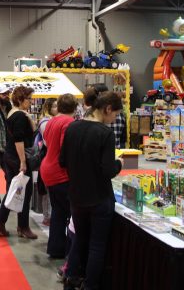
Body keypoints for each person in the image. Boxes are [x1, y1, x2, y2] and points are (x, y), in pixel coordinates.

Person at [60, 91, 124, 290]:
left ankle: (71, 278)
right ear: (107, 109)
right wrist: (119, 164)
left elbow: (62, 161)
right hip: (99, 198)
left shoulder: (72, 127)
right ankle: (90, 285)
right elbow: (108, 171)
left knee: (80, 238)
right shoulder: (105, 134)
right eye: (115, 115)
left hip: (76, 195)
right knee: (97, 245)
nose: (114, 120)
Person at [0, 85, 37, 240]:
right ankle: (21, 227)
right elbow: (19, 140)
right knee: (22, 192)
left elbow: (31, 131)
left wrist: (29, 118)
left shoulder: (15, 113)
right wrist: (23, 162)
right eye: (29, 99)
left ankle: (4, 224)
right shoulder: (19, 116)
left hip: (11, 156)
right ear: (20, 99)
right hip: (17, 158)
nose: (31, 102)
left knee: (15, 190)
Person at [39, 94, 77, 259]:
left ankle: (56, 248)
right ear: (74, 108)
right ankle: (68, 250)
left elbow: (47, 142)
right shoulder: (68, 123)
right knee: (69, 214)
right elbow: (65, 150)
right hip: (60, 173)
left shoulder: (51, 121)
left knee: (58, 212)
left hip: (48, 169)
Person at [36, 97, 58, 226]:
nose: (57, 108)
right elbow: (48, 142)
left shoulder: (54, 120)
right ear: (48, 108)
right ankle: (47, 216)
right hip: (47, 157)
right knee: (47, 189)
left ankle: (50, 215)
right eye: (54, 106)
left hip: (52, 157)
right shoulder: (45, 121)